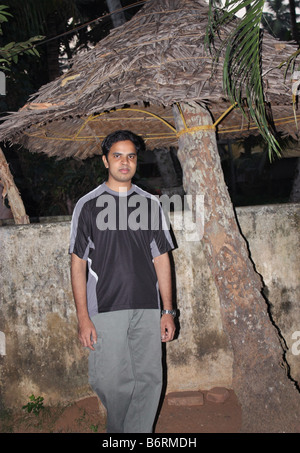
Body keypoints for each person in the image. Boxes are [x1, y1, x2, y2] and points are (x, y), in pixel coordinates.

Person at [69, 130, 176, 433]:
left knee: (148, 378)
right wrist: (82, 317)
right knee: (109, 380)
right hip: (105, 306)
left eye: (131, 156)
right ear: (105, 160)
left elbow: (161, 259)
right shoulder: (87, 206)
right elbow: (77, 264)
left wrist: (168, 311)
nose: (125, 162)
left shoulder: (150, 204)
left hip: (147, 306)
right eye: (117, 155)